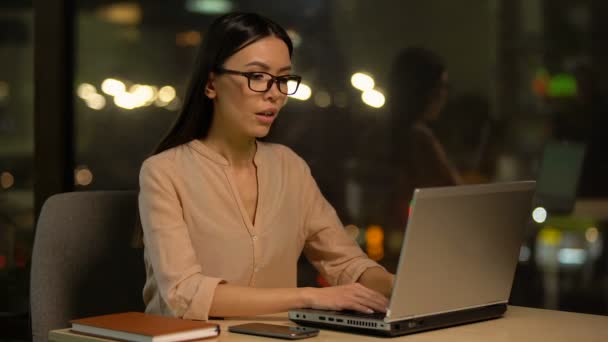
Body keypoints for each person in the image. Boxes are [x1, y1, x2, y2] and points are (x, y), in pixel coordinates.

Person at [137, 12, 394, 321]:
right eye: (257, 76)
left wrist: (406, 288)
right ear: (211, 84)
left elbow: (346, 263)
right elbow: (184, 294)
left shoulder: (289, 167)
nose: (275, 93)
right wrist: (311, 296)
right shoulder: (164, 172)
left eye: (283, 79)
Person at [387, 47, 462, 227]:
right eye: (441, 86)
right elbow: (455, 195)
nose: (444, 94)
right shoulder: (419, 137)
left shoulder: (378, 134)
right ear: (424, 90)